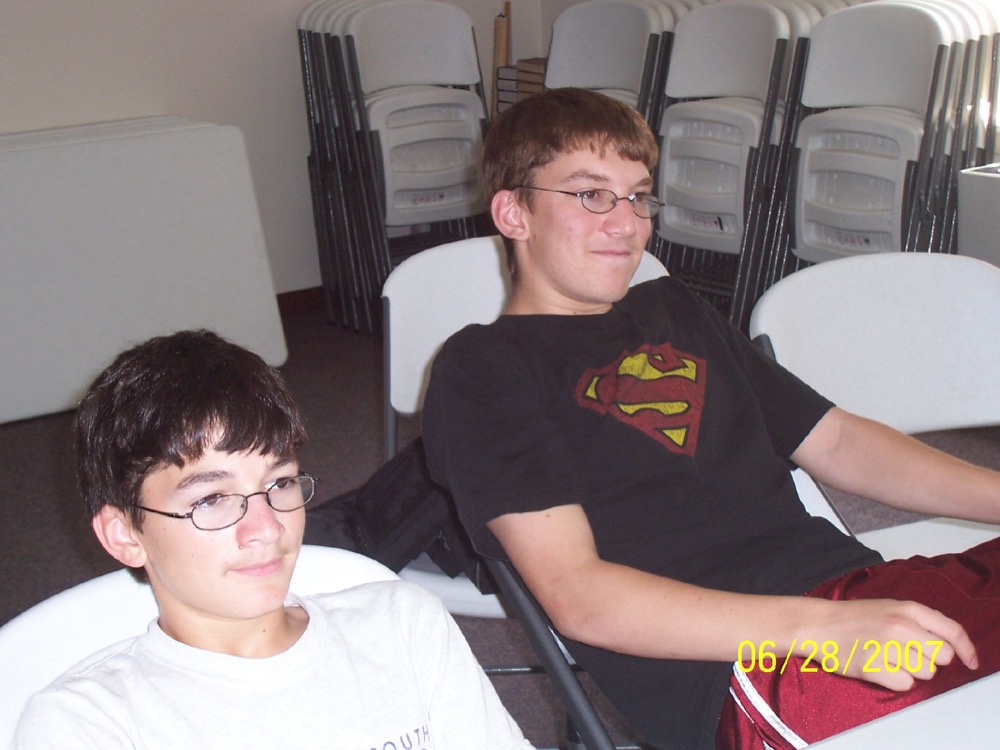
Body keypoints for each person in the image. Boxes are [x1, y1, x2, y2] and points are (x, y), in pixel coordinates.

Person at [421, 87, 1000, 750]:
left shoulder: (675, 308)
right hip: (748, 666)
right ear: (513, 213)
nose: (627, 224)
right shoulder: (484, 369)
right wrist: (821, 630)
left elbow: (837, 441)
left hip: (856, 601)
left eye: (638, 196)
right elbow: (579, 596)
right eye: (591, 195)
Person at [13, 329, 532, 750]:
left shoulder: (402, 623)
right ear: (125, 534)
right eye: (211, 499)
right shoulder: (88, 724)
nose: (267, 527)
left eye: (279, 483)